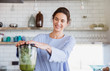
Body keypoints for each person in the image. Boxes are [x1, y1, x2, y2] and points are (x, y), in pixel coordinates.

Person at [16, 7, 76, 71]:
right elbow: (27, 56)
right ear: (53, 20)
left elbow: (64, 56)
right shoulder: (39, 38)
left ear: (67, 23)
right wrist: (22, 47)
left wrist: (47, 47)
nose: (58, 23)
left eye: (62, 21)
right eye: (56, 19)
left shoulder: (69, 39)